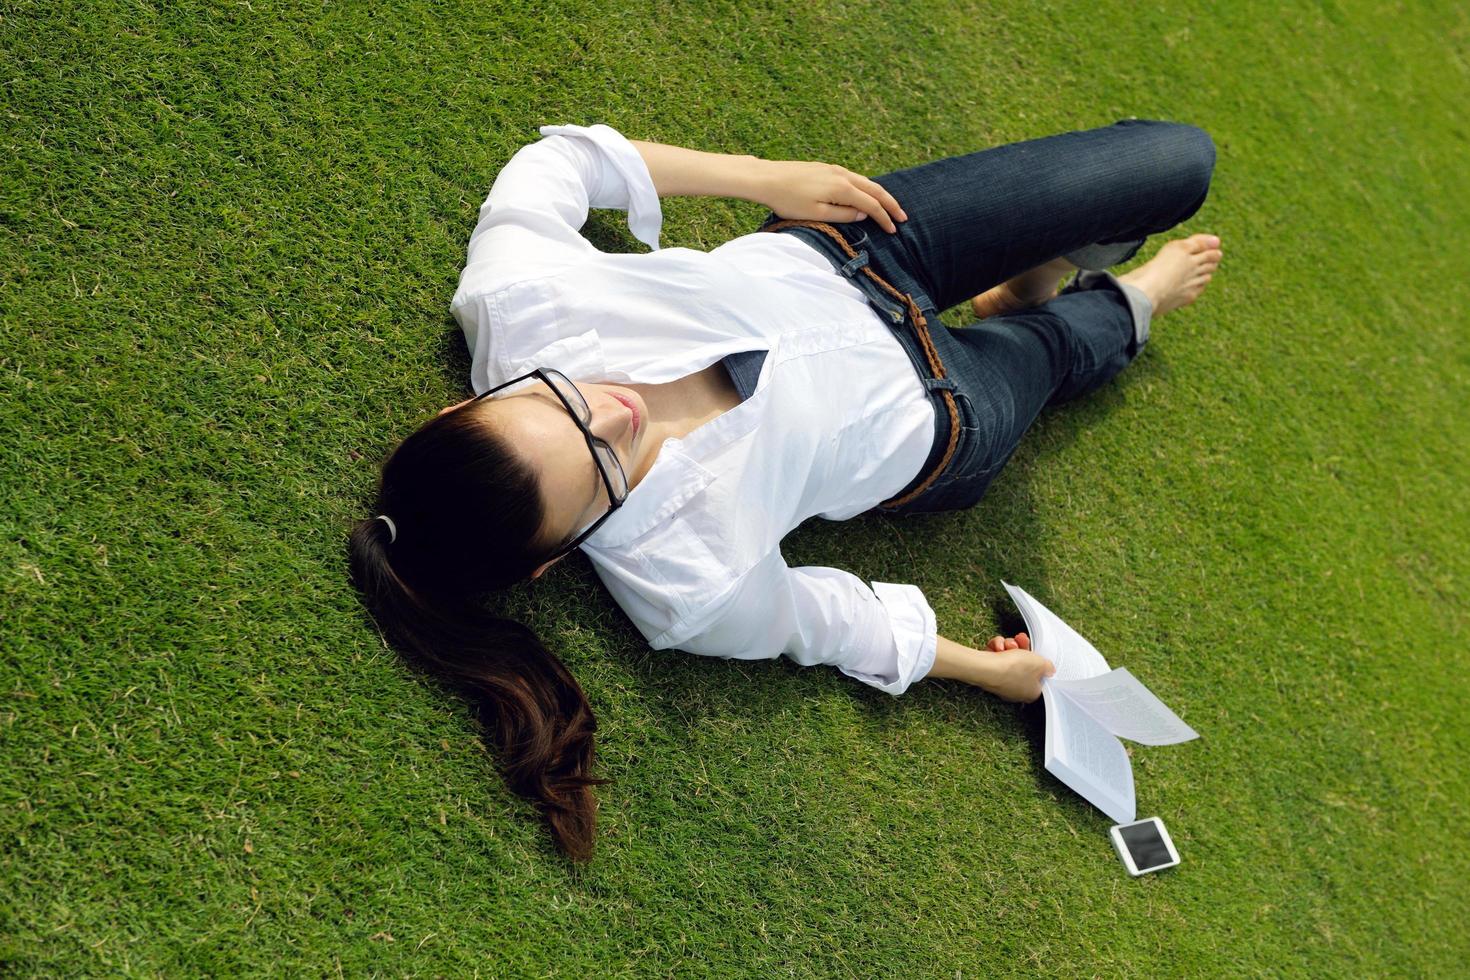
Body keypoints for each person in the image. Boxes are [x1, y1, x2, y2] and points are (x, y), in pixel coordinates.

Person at [347, 119, 1221, 861]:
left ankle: (1030, 274)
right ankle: (1124, 304)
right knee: (1067, 343)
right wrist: (991, 678)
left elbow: (566, 161)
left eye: (558, 396)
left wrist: (768, 180)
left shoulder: (517, 302)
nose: (614, 414)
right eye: (603, 469)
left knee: (1177, 163)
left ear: (475, 399)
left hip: (857, 249)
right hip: (941, 417)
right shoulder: (686, 587)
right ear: (556, 559)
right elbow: (829, 622)